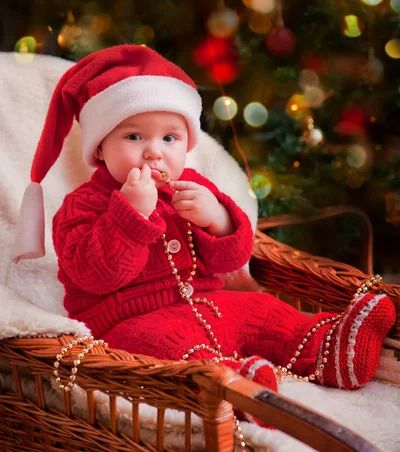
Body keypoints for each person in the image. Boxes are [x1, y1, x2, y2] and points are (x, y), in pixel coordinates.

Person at [13, 45, 396, 396]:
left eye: (169, 138)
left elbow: (233, 259)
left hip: (210, 302)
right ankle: (230, 385)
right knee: (161, 349)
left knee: (263, 312)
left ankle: (329, 348)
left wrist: (219, 221)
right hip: (131, 324)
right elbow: (98, 275)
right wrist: (130, 214)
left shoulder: (194, 188)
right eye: (133, 137)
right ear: (99, 147)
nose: (153, 153)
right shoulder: (80, 207)